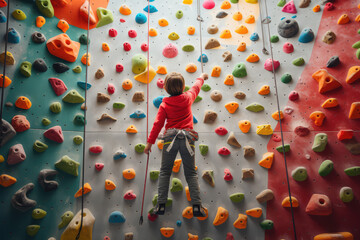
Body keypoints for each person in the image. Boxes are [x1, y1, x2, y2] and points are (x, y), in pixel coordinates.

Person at [144, 72, 208, 217]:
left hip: (170, 138)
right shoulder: (188, 97)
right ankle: (197, 206)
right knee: (191, 173)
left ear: (166, 88)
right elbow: (197, 86)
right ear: (183, 86)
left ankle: (160, 205)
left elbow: (157, 125)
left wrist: (149, 144)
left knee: (165, 172)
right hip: (188, 138)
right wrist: (202, 76)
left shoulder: (165, 104)